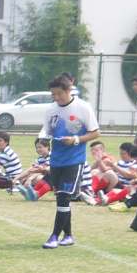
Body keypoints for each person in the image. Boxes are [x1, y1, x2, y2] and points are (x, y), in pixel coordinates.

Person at [37, 73, 100, 248]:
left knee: (64, 197)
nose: (56, 97)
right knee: (61, 199)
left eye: (59, 93)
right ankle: (69, 235)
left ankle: (54, 237)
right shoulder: (51, 110)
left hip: (74, 161)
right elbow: (47, 130)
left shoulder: (83, 108)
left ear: (68, 90)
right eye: (53, 94)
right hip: (56, 161)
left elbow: (96, 132)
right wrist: (43, 137)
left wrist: (76, 140)